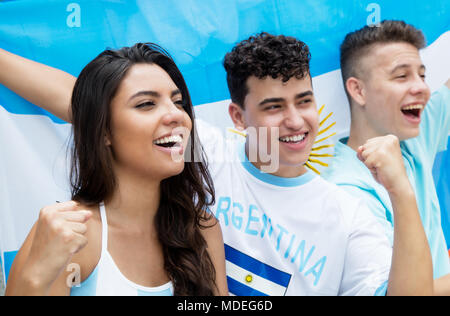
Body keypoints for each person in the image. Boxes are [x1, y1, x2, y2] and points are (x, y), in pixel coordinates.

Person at [0, 34, 434, 295]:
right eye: (273, 106)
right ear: (238, 118)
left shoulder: (346, 213)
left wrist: (401, 193)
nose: (296, 120)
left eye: (304, 101)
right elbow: (86, 100)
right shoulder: (204, 152)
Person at [3, 43, 228, 296]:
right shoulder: (70, 233)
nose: (175, 115)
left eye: (178, 102)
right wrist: (36, 276)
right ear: (104, 131)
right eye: (146, 104)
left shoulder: (202, 229)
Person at [321, 20, 450, 293]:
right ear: (358, 90)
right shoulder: (345, 193)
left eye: (422, 75)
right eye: (401, 77)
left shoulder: (412, 135)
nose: (422, 88)